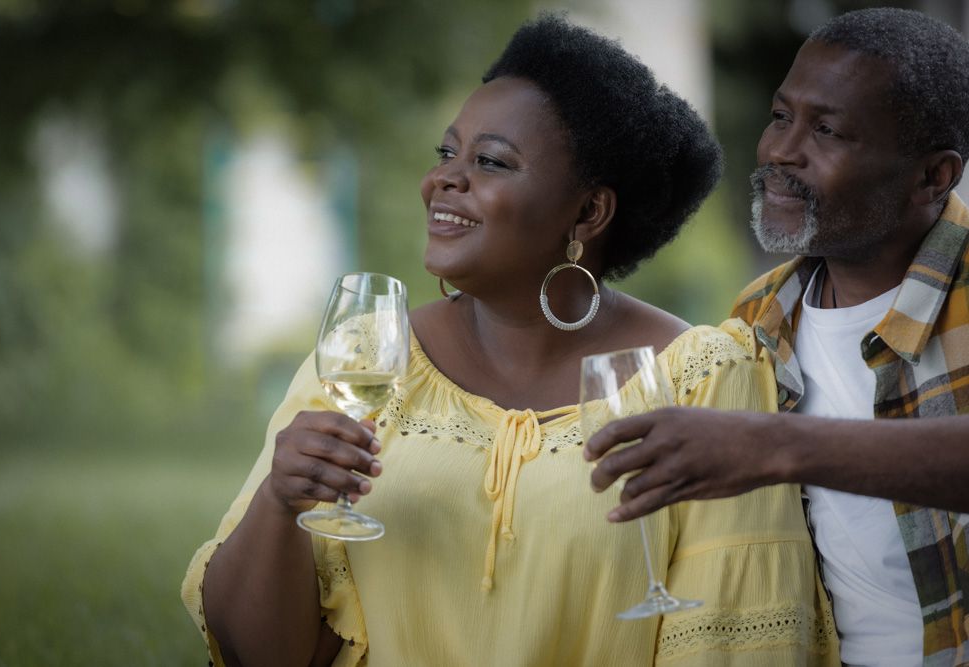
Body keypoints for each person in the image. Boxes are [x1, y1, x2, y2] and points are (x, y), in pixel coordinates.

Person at [182, 14, 838, 666]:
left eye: (490, 161)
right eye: (447, 153)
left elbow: (735, 645)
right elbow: (259, 655)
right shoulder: (369, 357)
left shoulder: (701, 381)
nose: (442, 179)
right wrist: (280, 498)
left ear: (587, 212)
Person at [585, 7, 969, 666]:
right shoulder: (759, 315)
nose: (781, 151)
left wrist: (776, 444)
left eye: (826, 129)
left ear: (934, 177)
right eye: (781, 115)